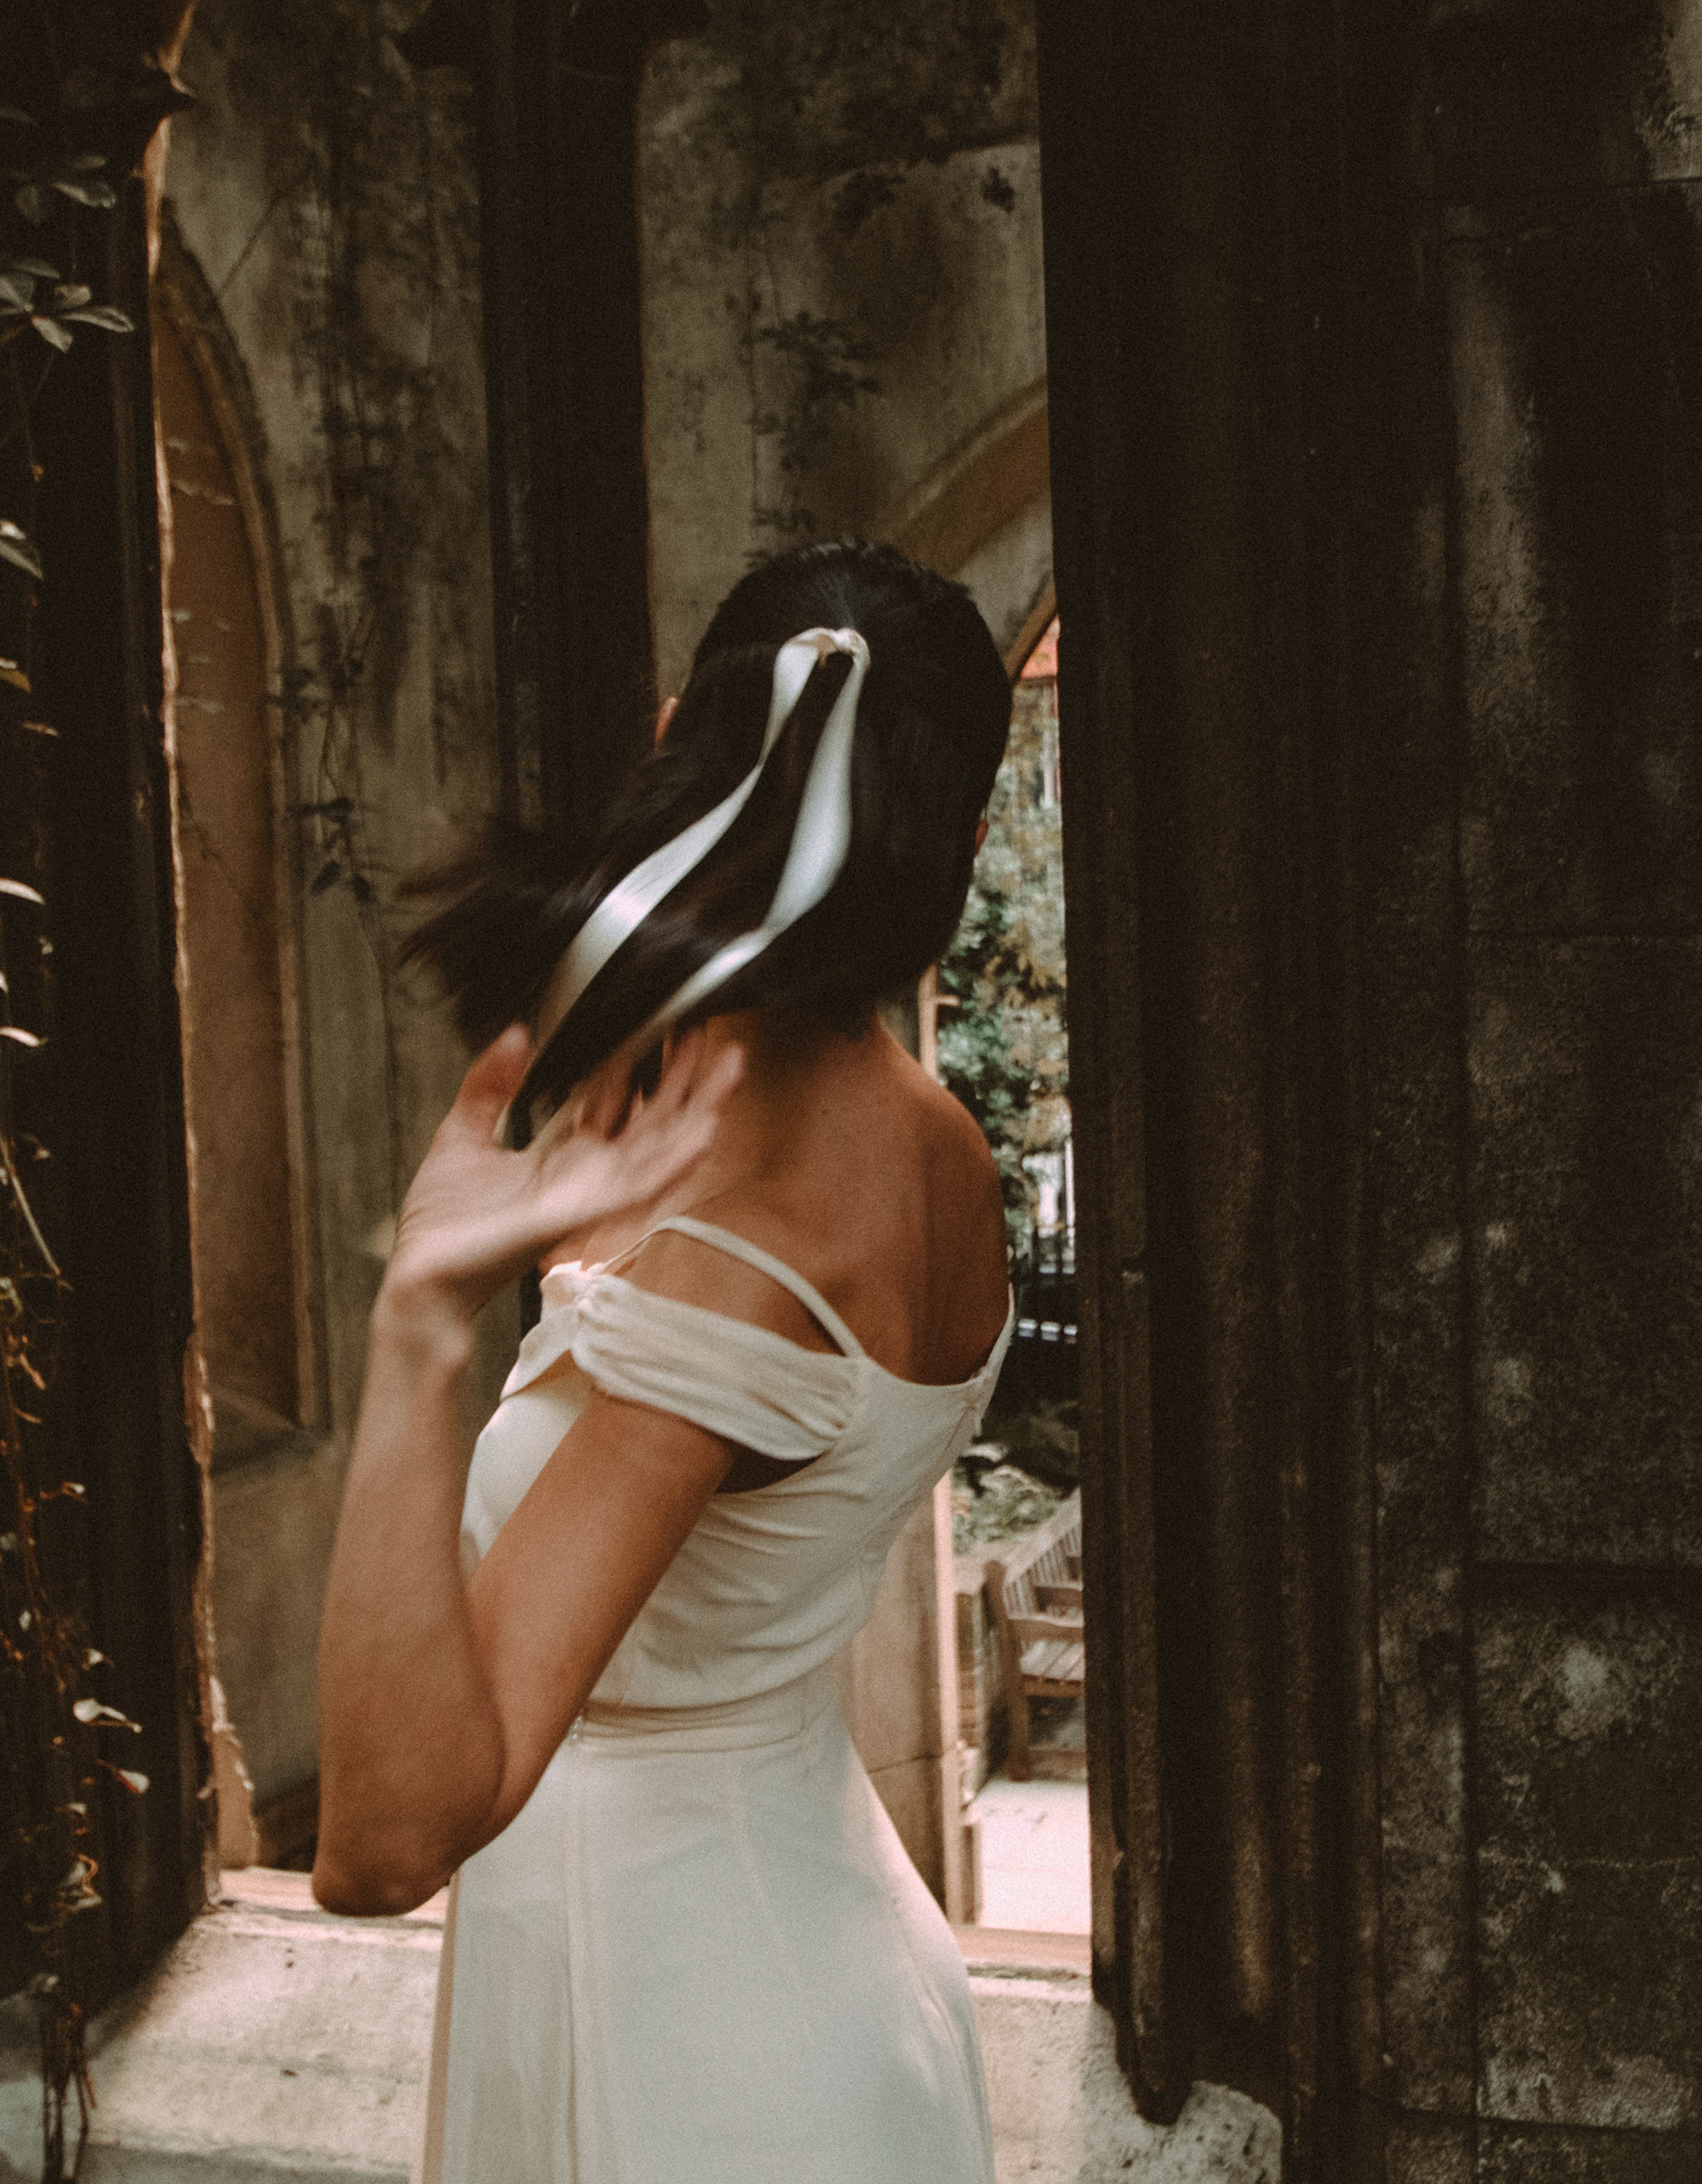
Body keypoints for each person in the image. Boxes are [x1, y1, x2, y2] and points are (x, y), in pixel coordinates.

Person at [311, 539, 1023, 2183]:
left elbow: (378, 1847)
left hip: (690, 2053)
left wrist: (420, 1331)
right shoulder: (940, 1146)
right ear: (961, 840)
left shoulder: (743, 1248)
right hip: (813, 1955)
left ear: (672, 739)